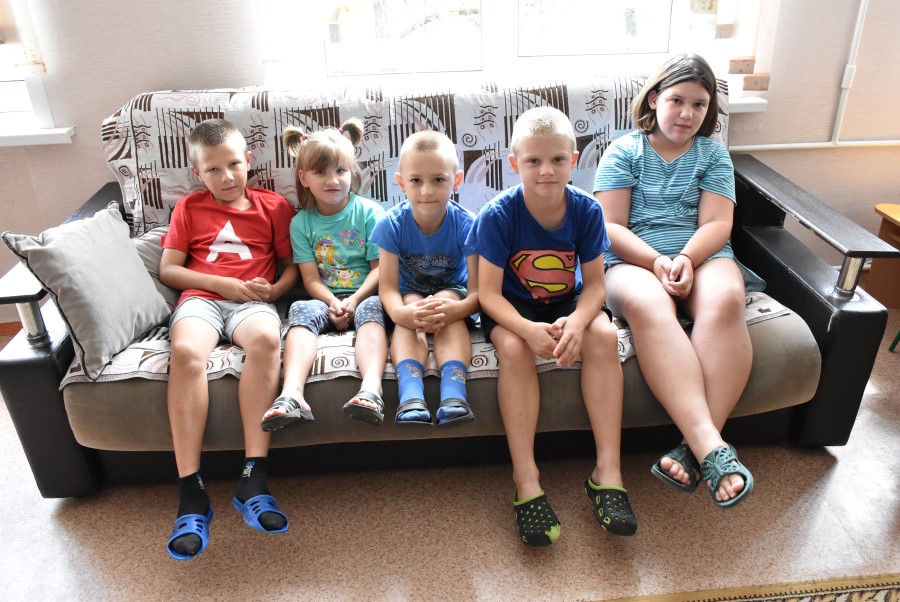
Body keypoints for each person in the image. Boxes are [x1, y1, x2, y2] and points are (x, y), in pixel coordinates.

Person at [467, 106, 637, 546]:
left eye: (558, 159)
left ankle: (608, 471)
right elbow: (488, 295)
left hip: (568, 303)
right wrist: (526, 329)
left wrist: (579, 322)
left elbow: (596, 285)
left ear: (574, 160)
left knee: (604, 335)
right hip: (511, 307)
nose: (546, 170)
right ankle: (526, 479)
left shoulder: (587, 210)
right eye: (534, 161)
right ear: (514, 164)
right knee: (513, 349)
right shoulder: (498, 215)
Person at [593, 53, 755, 509]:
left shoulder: (713, 154)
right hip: (632, 260)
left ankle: (694, 448)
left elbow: (718, 223)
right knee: (648, 305)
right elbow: (610, 226)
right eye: (677, 100)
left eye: (699, 105)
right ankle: (712, 447)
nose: (687, 114)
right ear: (654, 99)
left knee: (727, 298)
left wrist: (686, 257)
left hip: (702, 255)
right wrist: (657, 261)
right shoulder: (624, 151)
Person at [159, 118, 298, 560]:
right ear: (197, 173)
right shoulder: (189, 208)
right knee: (185, 352)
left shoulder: (274, 206)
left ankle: (254, 477)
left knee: (266, 340)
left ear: (249, 161)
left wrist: (274, 291)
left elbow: (291, 268)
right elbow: (169, 269)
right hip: (202, 299)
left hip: (252, 302)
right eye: (213, 170)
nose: (226, 177)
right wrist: (219, 284)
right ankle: (191, 491)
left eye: (234, 164)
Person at [260, 119, 389, 431]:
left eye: (340, 170)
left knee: (374, 307)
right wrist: (333, 302)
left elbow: (380, 271)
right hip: (325, 298)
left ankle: (372, 389)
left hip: (366, 295)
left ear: (351, 172)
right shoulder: (300, 224)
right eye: (321, 172)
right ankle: (292, 394)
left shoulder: (370, 213)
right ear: (304, 177)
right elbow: (310, 280)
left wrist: (354, 301)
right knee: (300, 309)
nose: (333, 180)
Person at [371, 131, 478, 428]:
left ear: (457, 180)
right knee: (411, 310)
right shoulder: (391, 224)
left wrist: (459, 309)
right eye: (416, 180)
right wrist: (399, 313)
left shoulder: (467, 224)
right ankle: (411, 394)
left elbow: (478, 291)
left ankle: (454, 394)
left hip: (452, 292)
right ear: (401, 182)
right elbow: (387, 287)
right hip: (409, 293)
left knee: (445, 304)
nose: (427, 191)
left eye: (439, 180)